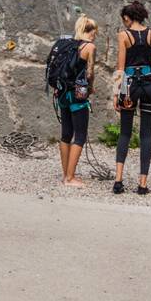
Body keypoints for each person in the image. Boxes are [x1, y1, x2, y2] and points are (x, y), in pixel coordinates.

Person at [111, 1, 151, 196]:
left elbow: (120, 67)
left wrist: (116, 93)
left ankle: (118, 181)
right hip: (150, 84)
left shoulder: (124, 36)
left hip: (129, 85)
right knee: (146, 135)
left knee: (125, 132)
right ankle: (142, 184)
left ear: (127, 17)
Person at [54, 14, 97, 187]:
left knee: (66, 134)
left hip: (63, 94)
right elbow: (90, 73)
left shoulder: (68, 45)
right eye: (93, 30)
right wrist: (92, 87)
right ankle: (70, 178)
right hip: (78, 96)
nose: (94, 34)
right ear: (89, 30)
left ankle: (66, 175)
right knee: (79, 135)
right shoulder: (89, 47)